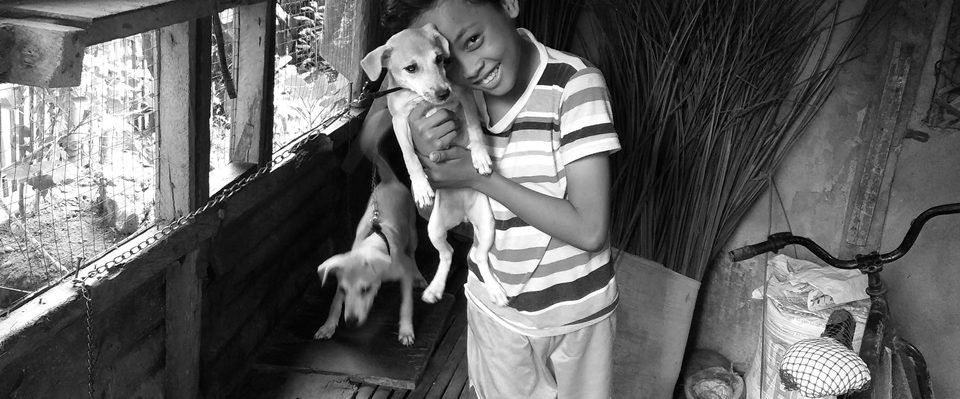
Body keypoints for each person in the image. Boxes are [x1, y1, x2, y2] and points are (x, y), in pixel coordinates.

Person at [361, 1, 621, 397]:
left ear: (509, 5)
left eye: (473, 40)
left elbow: (590, 230)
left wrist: (478, 178)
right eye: (448, 60)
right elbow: (430, 212)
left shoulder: (574, 85)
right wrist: (429, 163)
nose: (466, 70)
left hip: (577, 316)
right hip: (494, 311)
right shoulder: (447, 101)